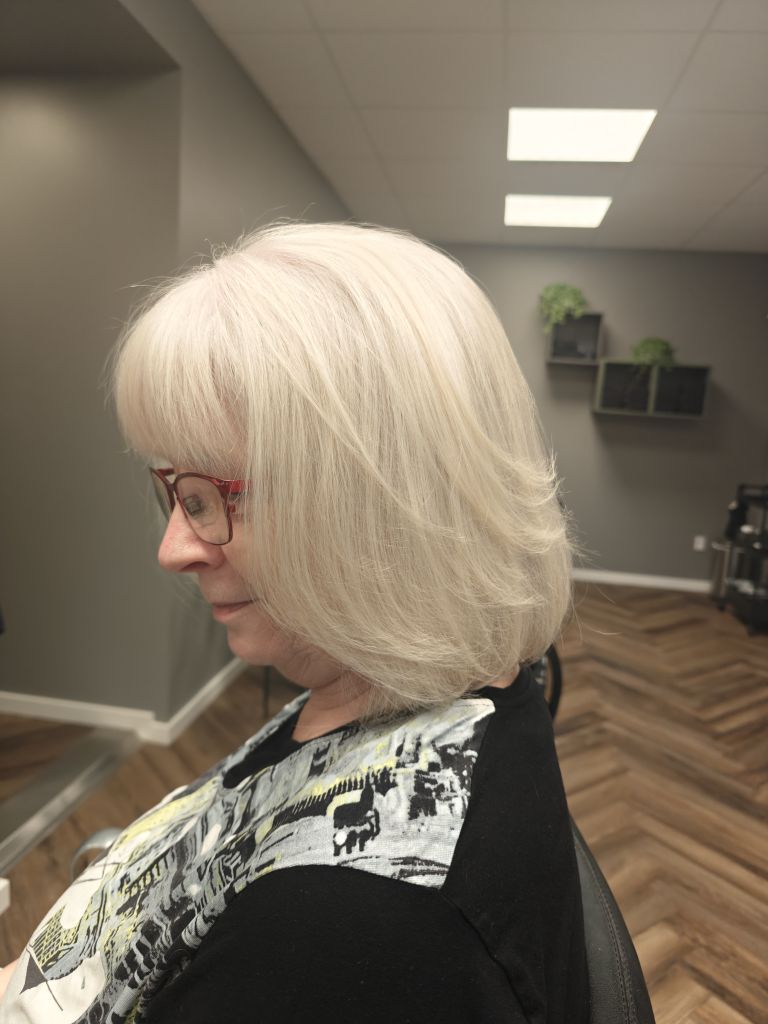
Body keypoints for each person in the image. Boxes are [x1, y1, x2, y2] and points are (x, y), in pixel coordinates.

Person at [0, 221, 589, 1023]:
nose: (174, 549)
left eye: (208, 499)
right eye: (172, 494)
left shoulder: (353, 933)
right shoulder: (370, 693)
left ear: (376, 499)